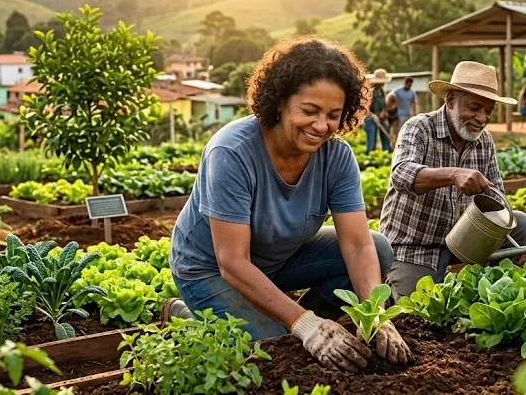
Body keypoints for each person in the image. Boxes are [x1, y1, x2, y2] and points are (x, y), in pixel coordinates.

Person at [164, 37, 411, 372]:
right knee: (275, 351)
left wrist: (376, 317)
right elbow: (233, 263)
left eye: (333, 115)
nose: (321, 126)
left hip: (278, 259)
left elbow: (356, 243)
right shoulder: (232, 152)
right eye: (309, 111)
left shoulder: (336, 157)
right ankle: (186, 313)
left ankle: (293, 324)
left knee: (378, 248)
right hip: (211, 269)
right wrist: (305, 326)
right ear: (279, 101)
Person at [382, 61, 526, 299]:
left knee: (519, 224)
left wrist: (493, 203)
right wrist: (454, 174)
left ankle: (484, 289)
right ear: (450, 100)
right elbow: (402, 174)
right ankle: (395, 276)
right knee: (415, 312)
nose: (482, 118)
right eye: (474, 107)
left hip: (461, 238)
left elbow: (498, 197)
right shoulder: (419, 128)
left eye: (488, 111)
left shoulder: (484, 142)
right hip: (415, 245)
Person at [365, 68, 391, 153]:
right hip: (370, 118)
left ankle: (386, 152)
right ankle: (369, 157)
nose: (383, 83)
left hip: (380, 117)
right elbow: (366, 108)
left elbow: (384, 106)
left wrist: (384, 112)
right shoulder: (370, 92)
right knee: (372, 140)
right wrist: (373, 116)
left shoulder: (382, 91)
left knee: (386, 130)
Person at [386, 77, 417, 144]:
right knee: (398, 132)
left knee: (407, 132)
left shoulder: (412, 92)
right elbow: (390, 96)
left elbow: (414, 103)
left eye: (410, 85)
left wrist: (414, 114)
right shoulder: (398, 90)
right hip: (399, 115)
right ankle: (395, 145)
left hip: (408, 114)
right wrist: (391, 106)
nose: (409, 86)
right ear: (405, 83)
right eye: (408, 84)